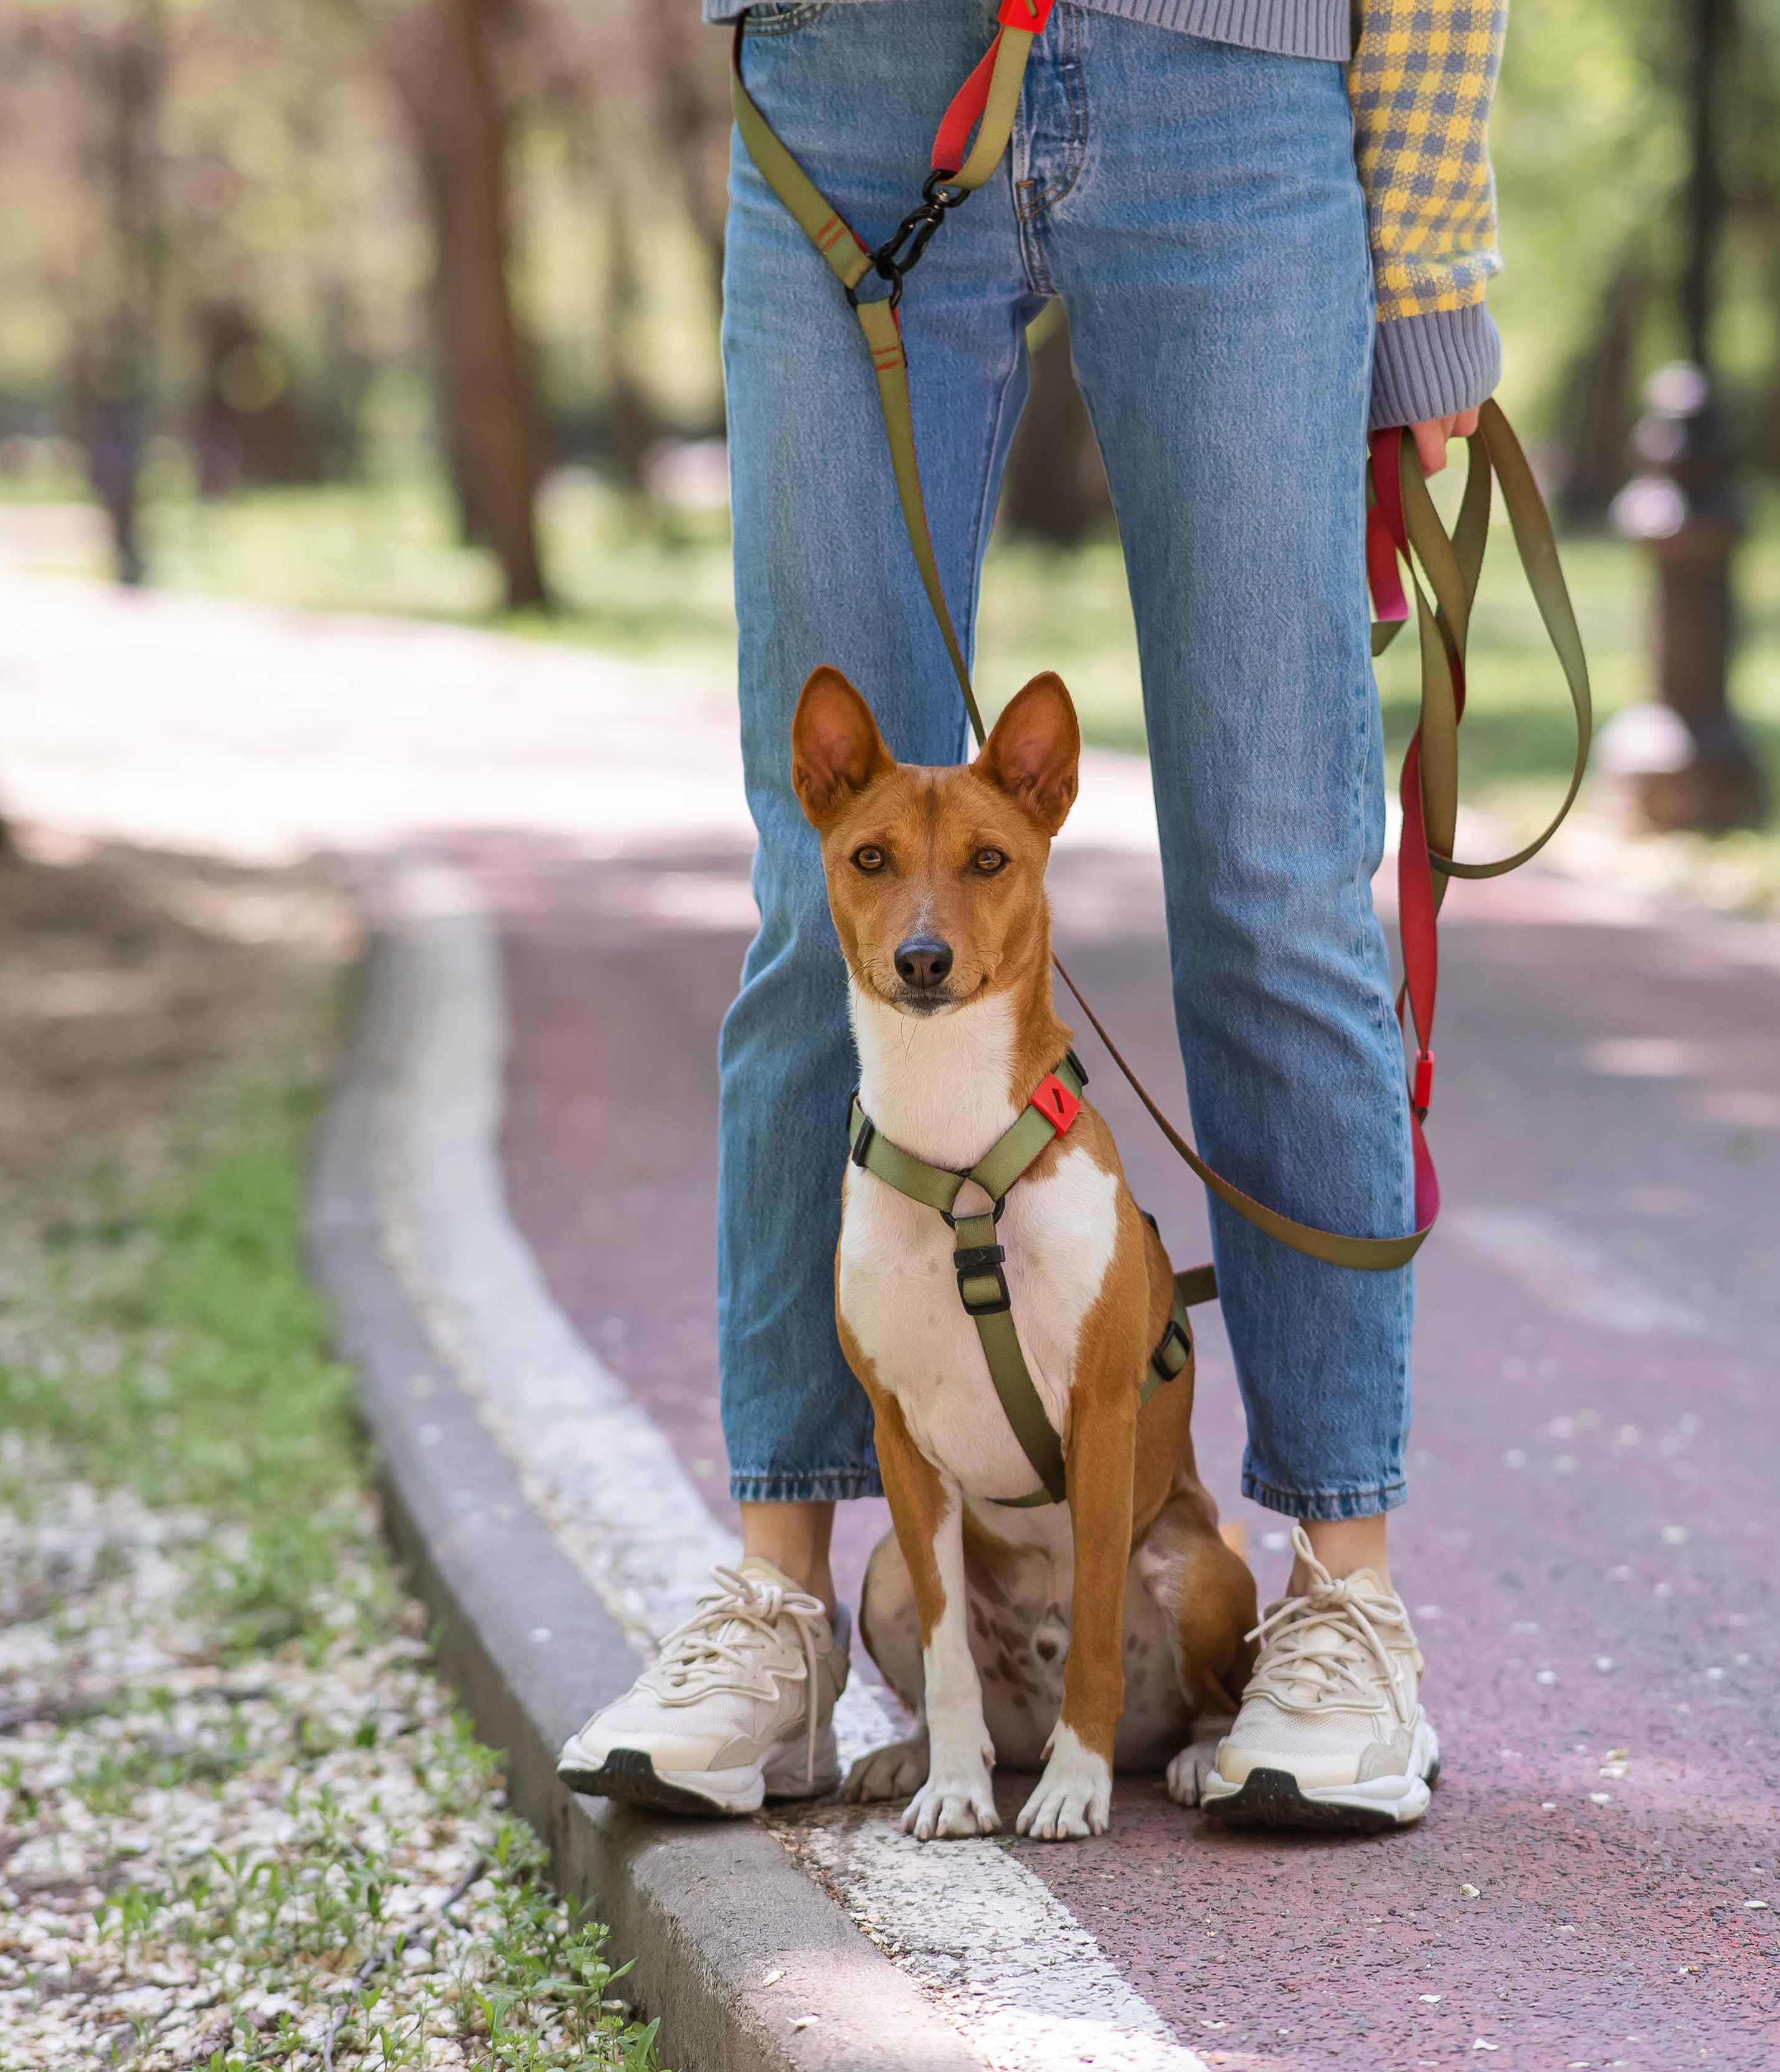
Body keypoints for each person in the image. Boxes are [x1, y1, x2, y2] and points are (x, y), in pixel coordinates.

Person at [555, 0, 1505, 1832]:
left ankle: (1344, 1608)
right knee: (810, 884)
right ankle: (781, 1597)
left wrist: (1434, 249)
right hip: (850, 78)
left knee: (1280, 882)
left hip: (1234, 70)